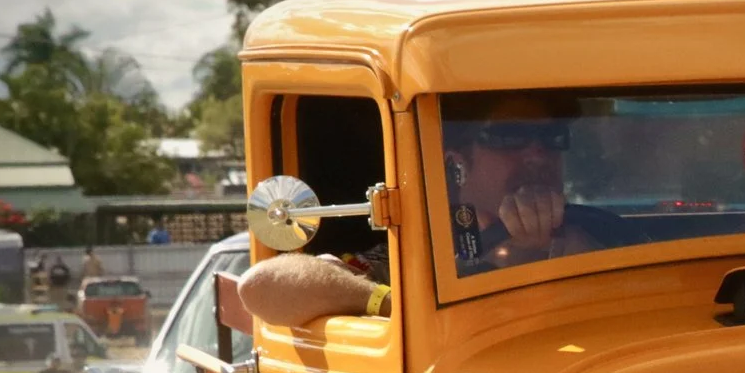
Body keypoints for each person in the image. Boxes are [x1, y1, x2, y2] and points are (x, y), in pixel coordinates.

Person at [242, 95, 613, 326]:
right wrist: (394, 304)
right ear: (457, 164)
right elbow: (261, 288)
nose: (537, 154)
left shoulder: (605, 234)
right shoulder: (415, 258)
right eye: (509, 136)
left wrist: (583, 258)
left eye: (551, 139)